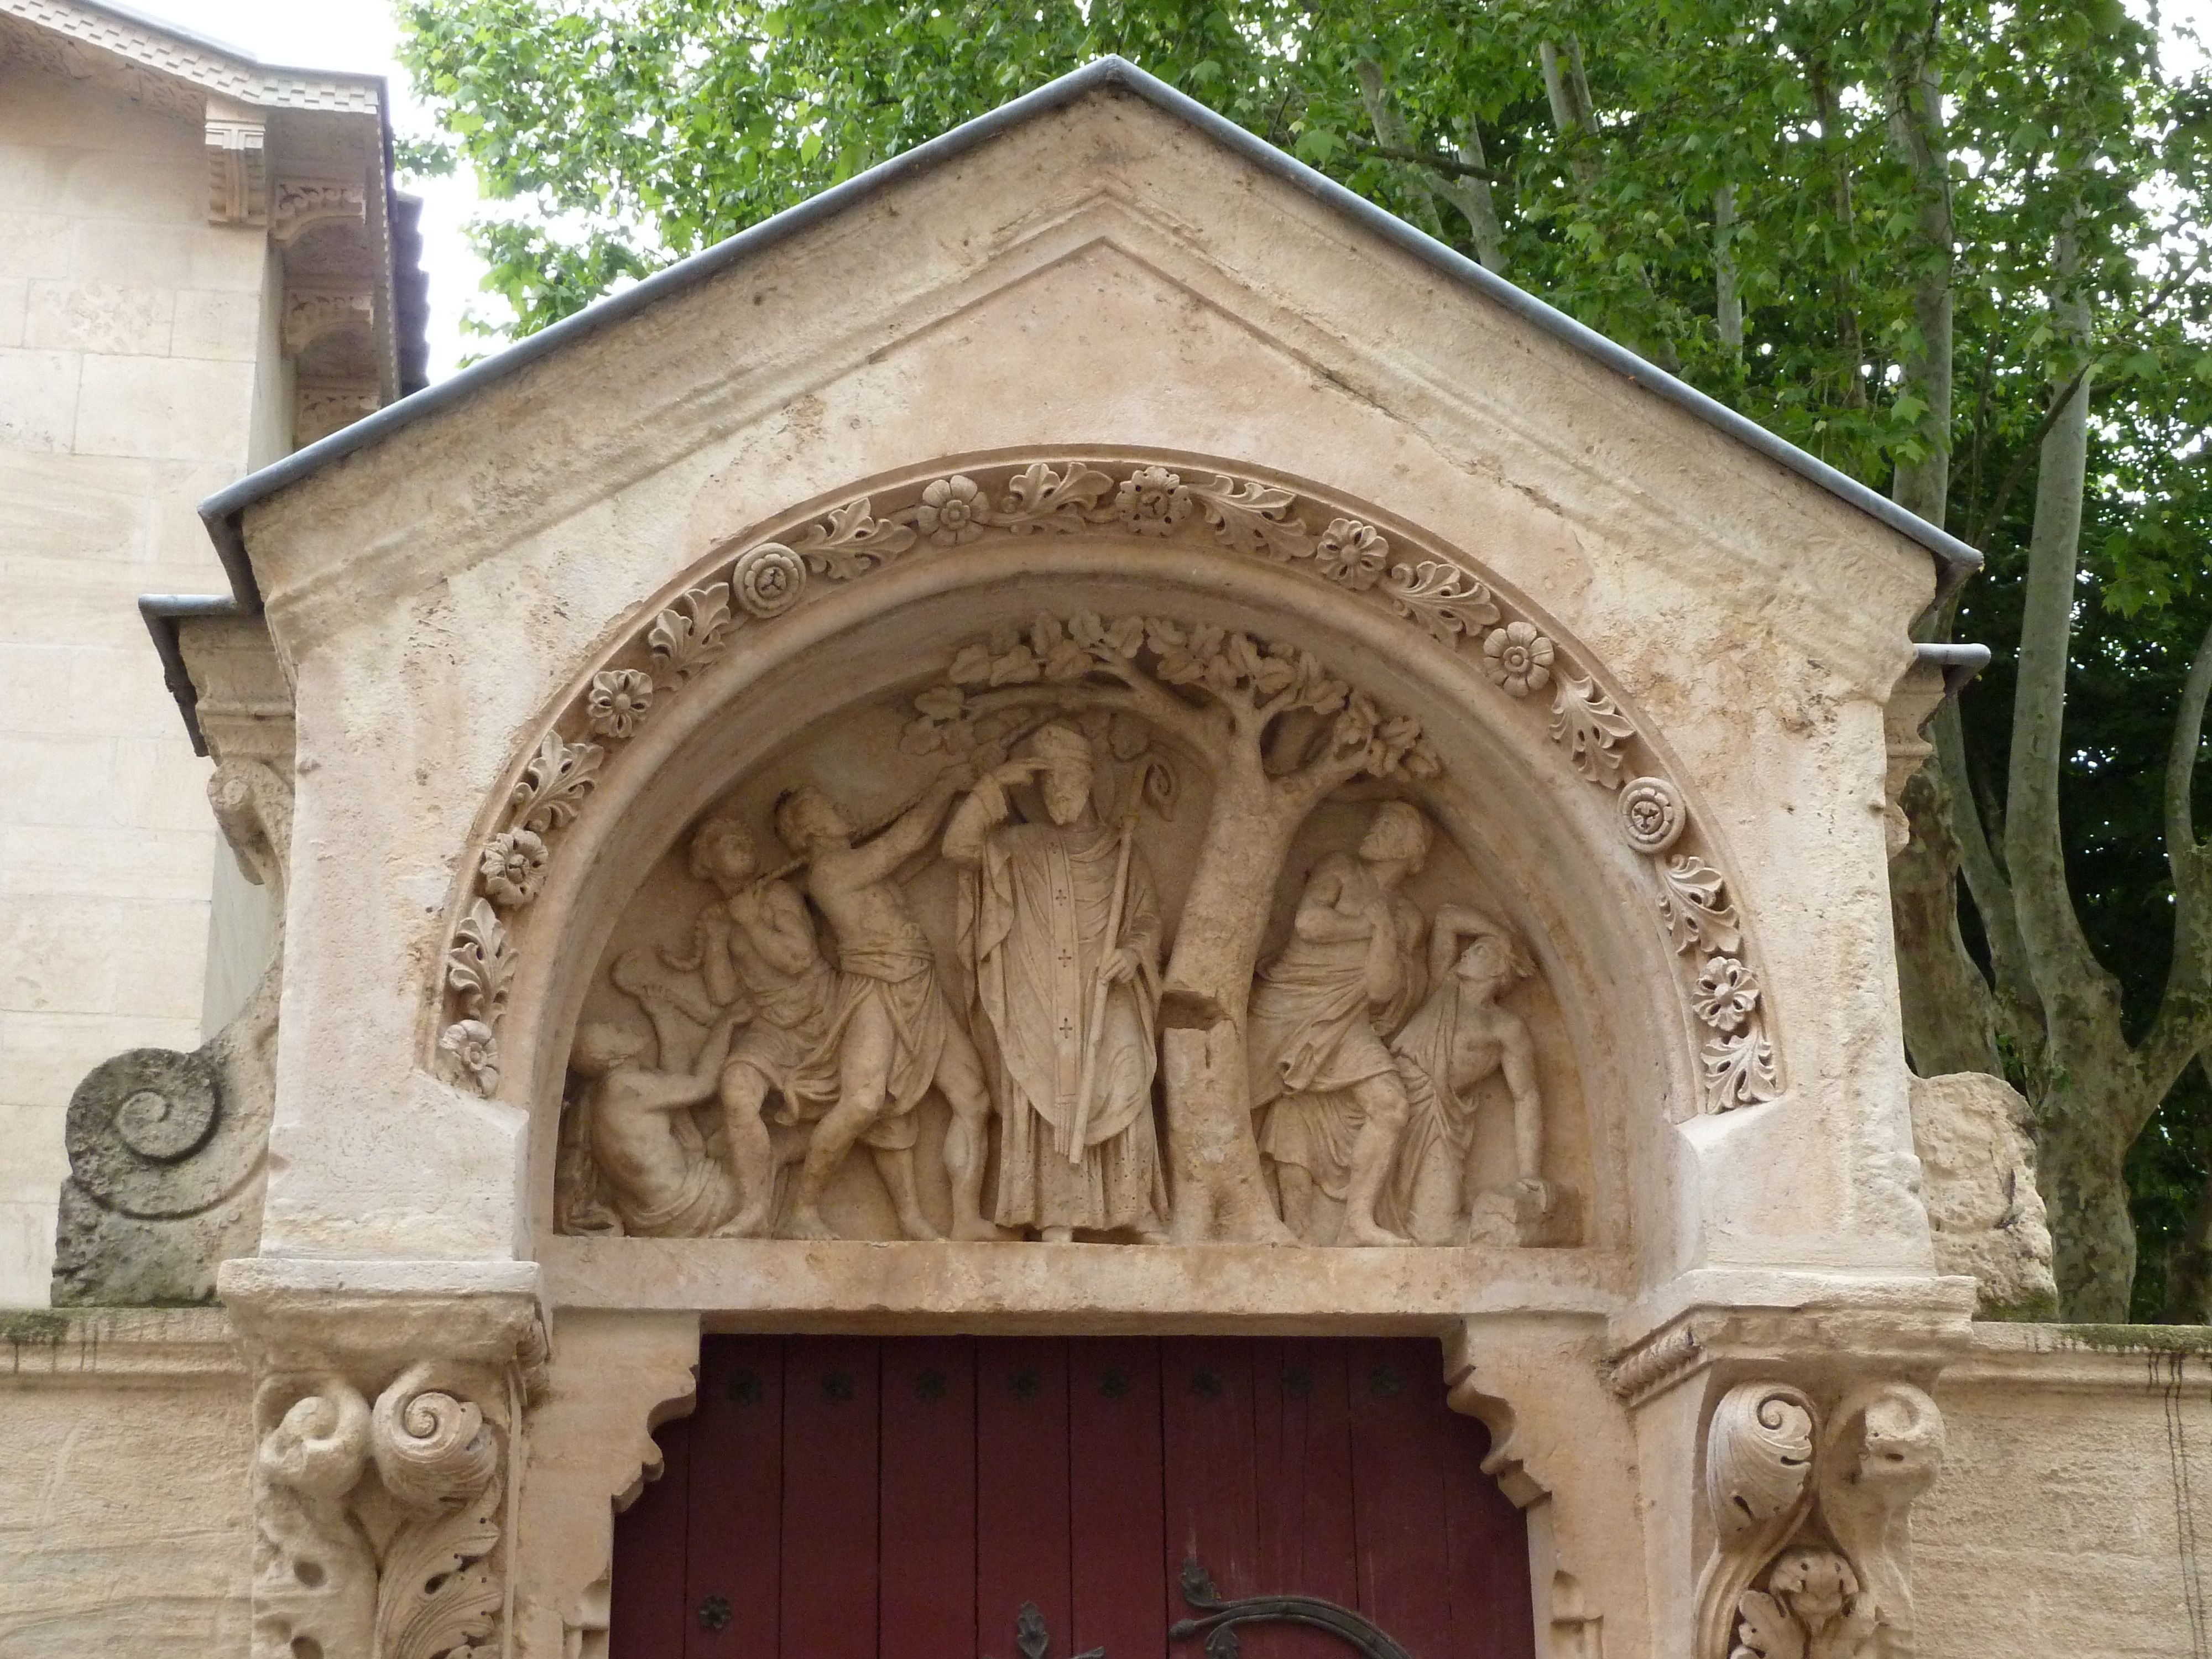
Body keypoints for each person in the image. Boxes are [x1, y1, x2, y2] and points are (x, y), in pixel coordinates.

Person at [943, 723, 1170, 1241]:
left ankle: (1134, 1208)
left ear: (1090, 781)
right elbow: (958, 849)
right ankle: (1055, 1216)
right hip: (1039, 991)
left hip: (1107, 989)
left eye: (1067, 780)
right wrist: (993, 787)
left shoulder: (1121, 850)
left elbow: (1148, 919)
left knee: (1126, 1079)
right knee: (1045, 1089)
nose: (1057, 793)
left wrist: (1132, 954)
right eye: (1048, 784)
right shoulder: (1020, 845)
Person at [774, 768, 1000, 1241]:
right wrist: (946, 783)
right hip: (875, 989)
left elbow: (917, 853)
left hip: (920, 986)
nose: (841, 809)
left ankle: (965, 1219)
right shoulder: (830, 872)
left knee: (973, 1095)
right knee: (862, 1103)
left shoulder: (859, 864)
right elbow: (904, 843)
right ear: (806, 829)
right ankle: (804, 1211)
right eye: (824, 806)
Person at [1248, 802, 1432, 1246]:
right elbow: (1309, 923)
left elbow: (1381, 989)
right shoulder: (1341, 869)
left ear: (1412, 853)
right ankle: (1254, 1213)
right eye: (1379, 819)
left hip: (1348, 1020)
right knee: (1245, 1104)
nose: (1375, 828)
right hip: (1287, 1005)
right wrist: (1370, 926)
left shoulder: (1407, 918)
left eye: (1390, 826)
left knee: (1390, 1105)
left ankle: (1359, 1220)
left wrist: (1386, 932)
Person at [679, 815, 843, 1238]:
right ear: (706, 862)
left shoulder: (776, 894)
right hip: (773, 1024)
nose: (743, 841)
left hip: (823, 1015)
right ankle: (754, 1210)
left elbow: (799, 958)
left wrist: (752, 921)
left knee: (853, 1107)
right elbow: (722, 994)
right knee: (737, 1089)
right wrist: (717, 939)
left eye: (744, 835)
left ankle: (791, 1179)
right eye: (727, 839)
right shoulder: (726, 915)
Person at [1387, 913, 1547, 1246]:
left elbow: (1526, 1096)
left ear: (1499, 970)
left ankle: (1506, 1227)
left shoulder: (1505, 1028)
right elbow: (1446, 918)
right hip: (1390, 1093)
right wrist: (1499, 932)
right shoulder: (1444, 986)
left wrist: (1530, 1173)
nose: (1466, 952)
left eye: (1480, 950)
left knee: (1436, 1232)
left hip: (1439, 1119)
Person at [568, 1008, 744, 1238]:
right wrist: (726, 1023)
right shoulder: (625, 1088)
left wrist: (663, 1015)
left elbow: (677, 1080)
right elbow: (702, 1085)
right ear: (614, 1058)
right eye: (617, 1032)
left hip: (653, 1210)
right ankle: (758, 1212)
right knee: (764, 1150)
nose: (625, 1027)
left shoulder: (608, 1090)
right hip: (689, 1205)